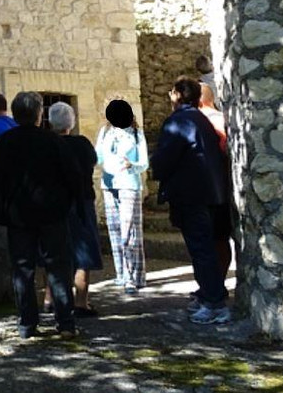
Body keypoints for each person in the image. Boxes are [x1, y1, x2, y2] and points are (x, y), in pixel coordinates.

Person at [0, 91, 78, 338]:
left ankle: (27, 323)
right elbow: (72, 176)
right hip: (51, 212)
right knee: (57, 266)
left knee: (22, 268)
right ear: (39, 114)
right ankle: (65, 322)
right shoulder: (53, 141)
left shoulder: (3, 144)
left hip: (18, 215)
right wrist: (68, 204)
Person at [151, 76, 229, 325]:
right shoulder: (201, 120)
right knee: (205, 247)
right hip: (210, 192)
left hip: (190, 195)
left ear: (177, 95)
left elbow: (165, 160)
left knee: (201, 249)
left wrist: (159, 172)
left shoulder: (178, 121)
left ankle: (214, 303)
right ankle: (211, 295)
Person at [49, 101, 103, 317]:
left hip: (55, 203)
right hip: (81, 201)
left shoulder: (48, 144)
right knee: (83, 253)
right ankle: (81, 302)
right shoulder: (82, 144)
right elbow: (93, 162)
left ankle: (51, 298)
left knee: (54, 251)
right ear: (71, 122)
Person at [97, 98, 149, 294]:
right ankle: (121, 274)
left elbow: (144, 163)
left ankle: (134, 276)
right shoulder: (105, 133)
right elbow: (98, 156)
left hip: (129, 185)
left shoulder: (136, 134)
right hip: (109, 185)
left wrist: (132, 165)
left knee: (130, 232)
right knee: (115, 230)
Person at [200, 82, 233, 283]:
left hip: (210, 188)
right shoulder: (223, 119)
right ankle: (216, 282)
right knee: (220, 239)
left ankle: (214, 285)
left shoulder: (206, 122)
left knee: (214, 240)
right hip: (221, 186)